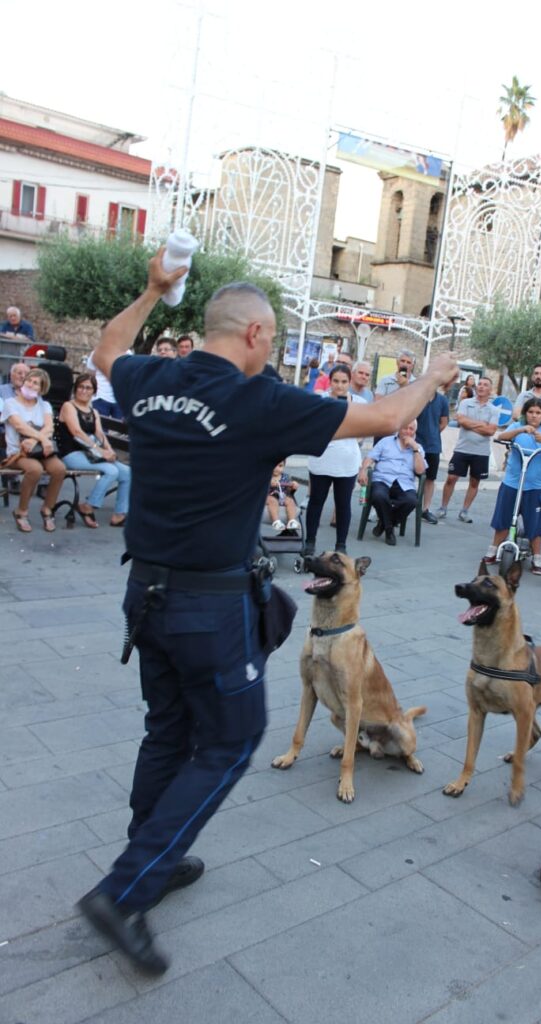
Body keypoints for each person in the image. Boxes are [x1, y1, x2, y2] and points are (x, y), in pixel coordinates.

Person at [75, 248, 460, 975]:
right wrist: (432, 378)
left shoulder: (152, 379)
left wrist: (154, 289)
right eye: (274, 338)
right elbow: (381, 415)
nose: (272, 350)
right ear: (253, 335)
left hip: (145, 595)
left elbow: (106, 349)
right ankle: (128, 886)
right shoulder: (257, 402)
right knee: (230, 739)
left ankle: (151, 852)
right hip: (207, 608)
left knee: (169, 728)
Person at [484, 398, 541, 575]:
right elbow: (500, 437)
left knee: (535, 523)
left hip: (535, 485)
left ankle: (537, 557)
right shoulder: (517, 427)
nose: (534, 416)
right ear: (525, 413)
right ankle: (493, 548)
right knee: (504, 517)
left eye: (538, 413)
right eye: (530, 412)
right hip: (512, 481)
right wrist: (521, 429)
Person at [304, 363, 364, 555]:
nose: (339, 386)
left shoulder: (359, 403)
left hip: (347, 461)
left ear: (349, 382)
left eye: (344, 382)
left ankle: (341, 545)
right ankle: (310, 541)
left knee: (343, 503)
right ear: (330, 382)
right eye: (336, 381)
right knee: (316, 501)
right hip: (322, 459)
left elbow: (362, 433)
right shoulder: (320, 400)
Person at [57, 372, 131, 527]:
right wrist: (101, 451)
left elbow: (99, 433)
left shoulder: (94, 412)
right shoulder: (68, 406)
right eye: (81, 387)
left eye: (88, 388)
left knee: (126, 473)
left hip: (92, 453)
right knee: (111, 471)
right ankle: (87, 506)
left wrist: (110, 451)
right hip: (72, 453)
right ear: (75, 389)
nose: (84, 391)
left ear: (94, 391)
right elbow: (77, 432)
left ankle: (119, 514)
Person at [0, 367, 65, 533]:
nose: (30, 384)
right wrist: (42, 438)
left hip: (40, 450)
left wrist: (36, 440)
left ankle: (47, 509)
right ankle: (21, 511)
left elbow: (49, 426)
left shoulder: (45, 406)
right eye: (29, 380)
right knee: (35, 469)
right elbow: (19, 426)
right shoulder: (10, 403)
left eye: (36, 383)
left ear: (42, 389)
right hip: (18, 453)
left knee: (59, 469)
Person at [436, 376, 500, 522]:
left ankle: (464, 511)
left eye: (485, 385)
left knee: (474, 482)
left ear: (490, 390)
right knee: (451, 478)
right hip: (462, 449)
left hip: (481, 452)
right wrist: (481, 424)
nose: (481, 387)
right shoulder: (465, 403)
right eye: (480, 384)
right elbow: (461, 421)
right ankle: (443, 507)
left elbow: (491, 430)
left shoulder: (494, 410)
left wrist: (471, 423)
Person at [359, 420, 426, 546]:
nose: (407, 431)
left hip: (404, 483)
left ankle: (383, 524)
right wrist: (363, 470)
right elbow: (370, 458)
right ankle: (389, 530)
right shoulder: (386, 442)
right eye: (405, 428)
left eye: (411, 429)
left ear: (415, 431)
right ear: (399, 428)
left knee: (412, 501)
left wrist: (415, 449)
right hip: (382, 479)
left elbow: (420, 470)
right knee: (379, 496)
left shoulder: (418, 448)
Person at [416, 385, 449, 524]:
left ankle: (425, 509)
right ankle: (402, 507)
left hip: (433, 446)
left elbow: (443, 422)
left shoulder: (442, 400)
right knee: (409, 476)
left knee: (430, 479)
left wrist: (433, 432)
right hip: (415, 443)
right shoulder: (417, 397)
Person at [266, 461, 300, 533]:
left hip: (282, 497)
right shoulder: (266, 476)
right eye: (274, 465)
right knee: (272, 500)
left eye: (280, 466)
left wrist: (293, 486)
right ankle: (276, 521)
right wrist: (268, 484)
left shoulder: (286, 477)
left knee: (290, 500)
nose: (276, 468)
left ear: (284, 466)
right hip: (269, 497)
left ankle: (292, 521)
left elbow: (288, 491)